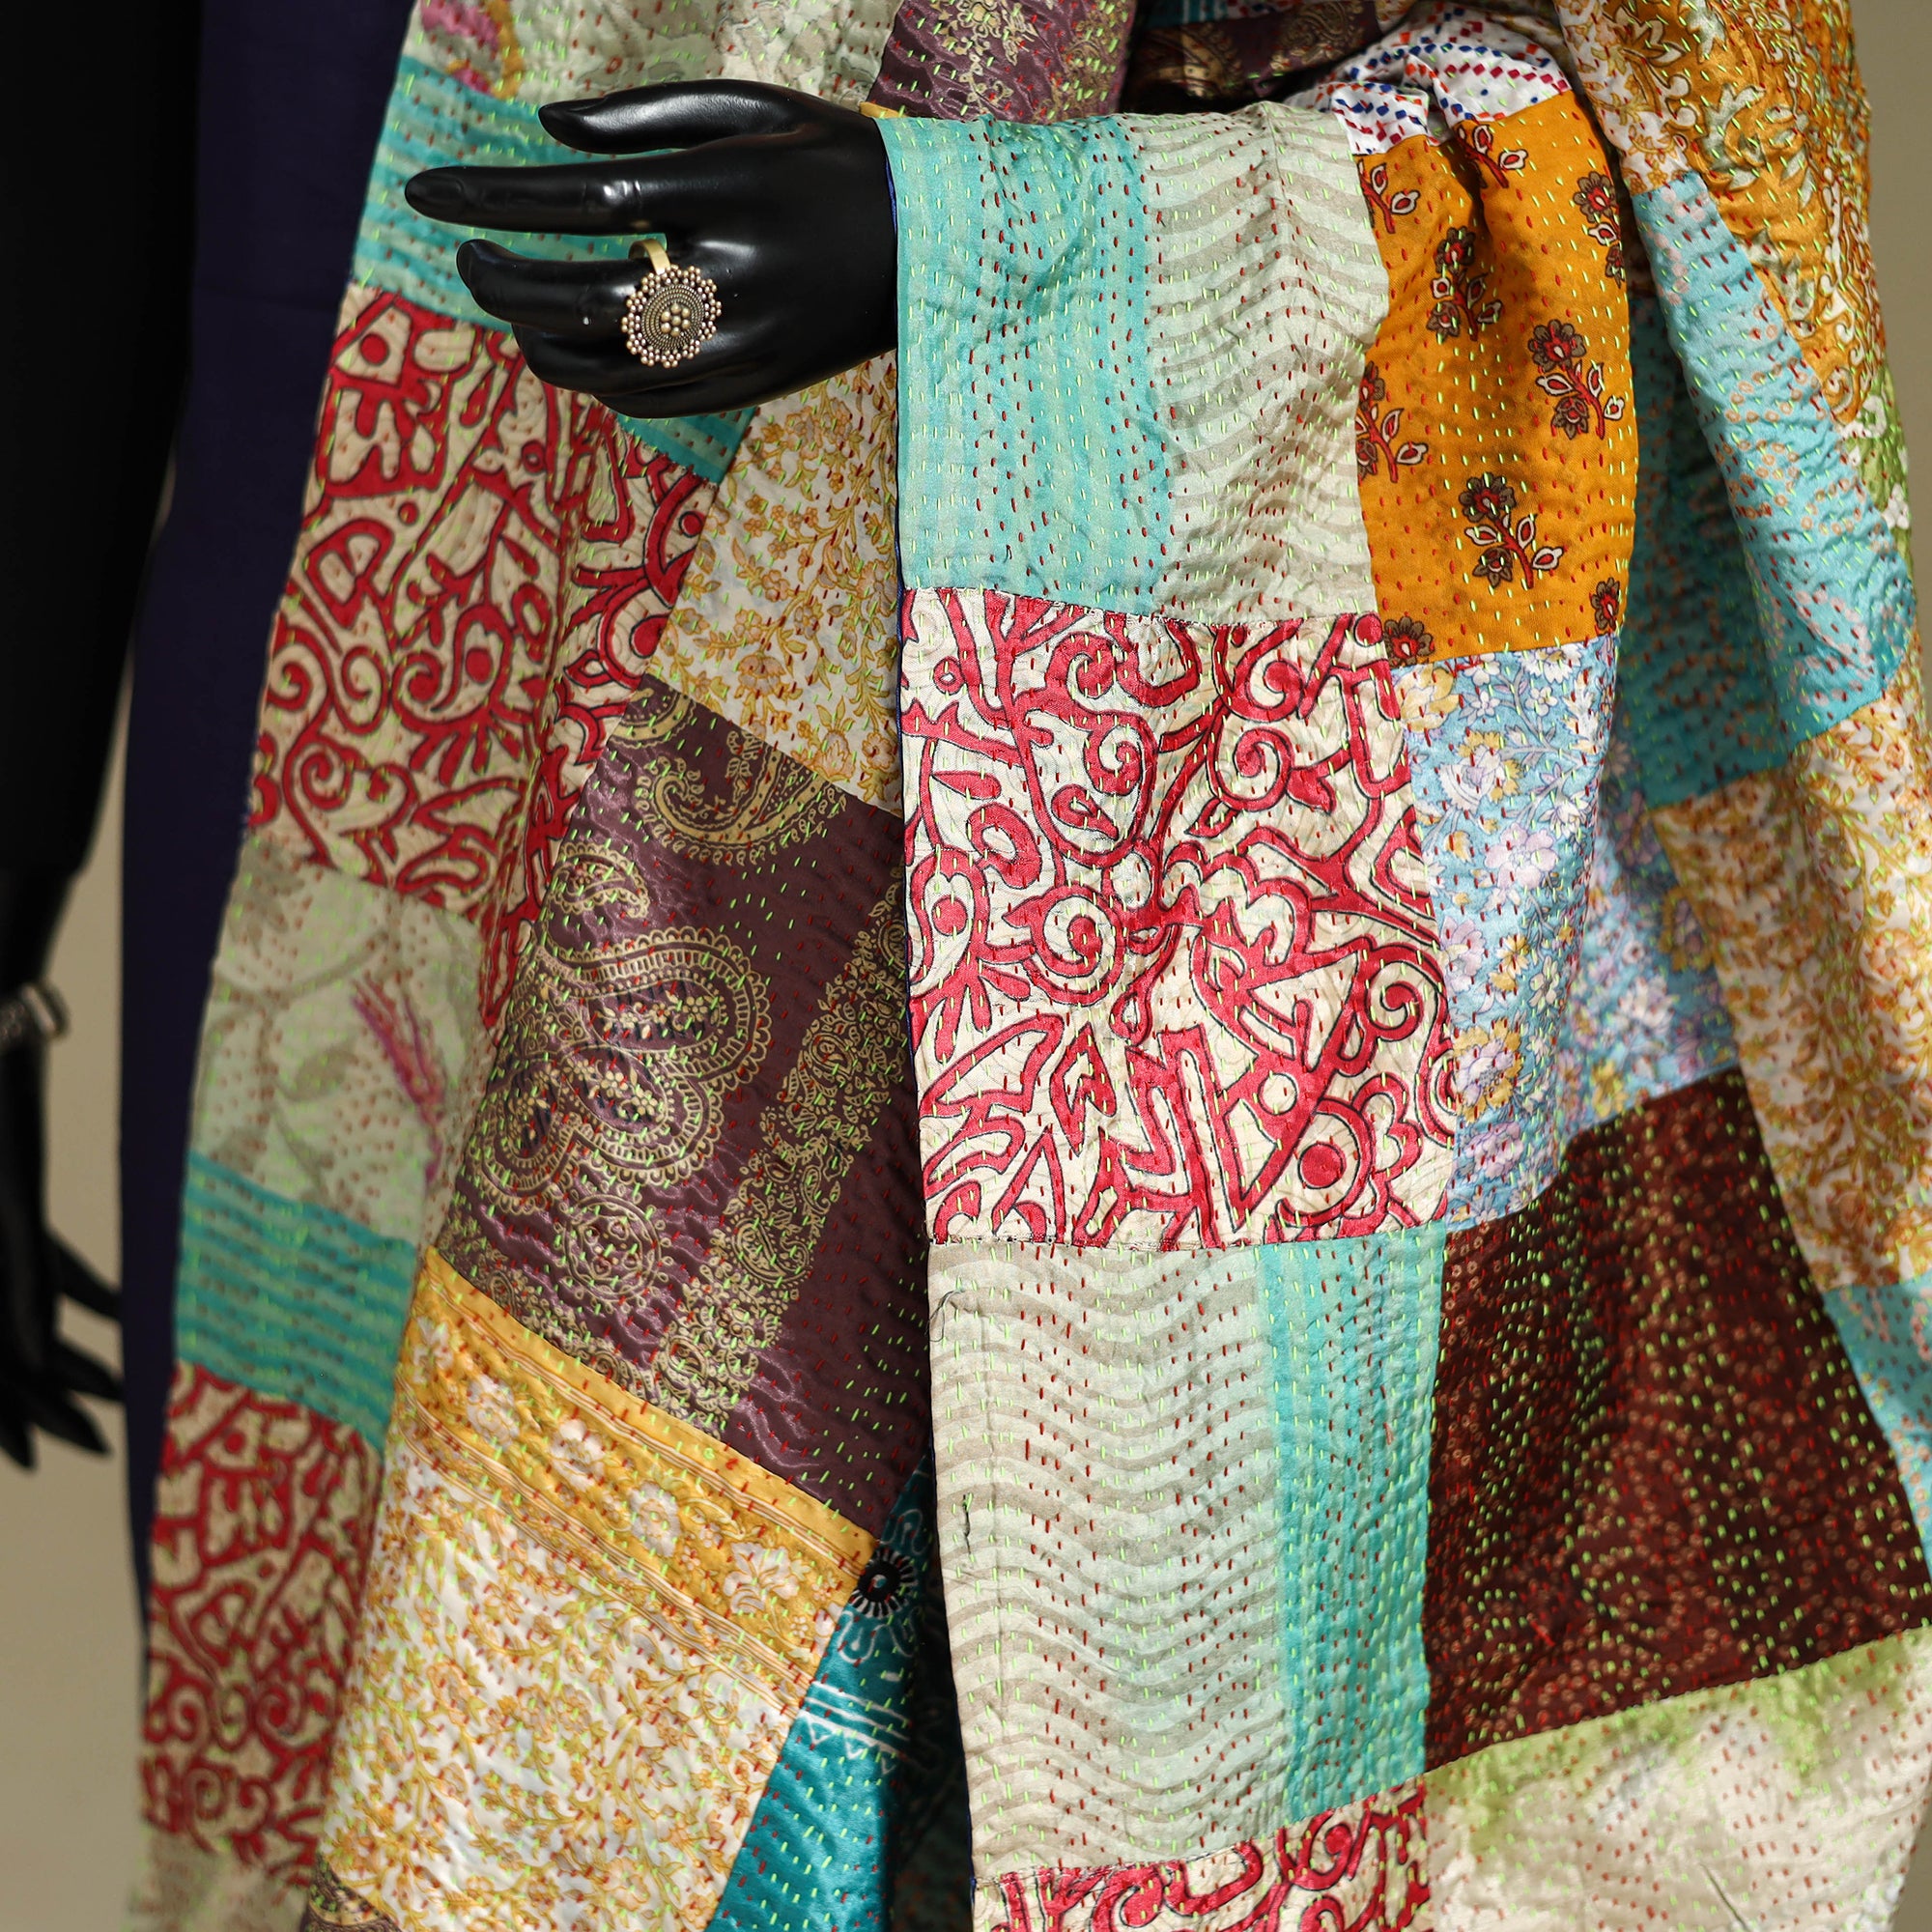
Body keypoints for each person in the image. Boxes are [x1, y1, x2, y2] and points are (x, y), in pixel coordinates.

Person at [123, 1, 1932, 1928]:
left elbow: (1708, 114)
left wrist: (993, 240)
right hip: (379, 679)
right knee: (341, 1595)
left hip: (1122, 814)